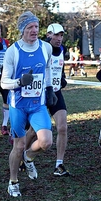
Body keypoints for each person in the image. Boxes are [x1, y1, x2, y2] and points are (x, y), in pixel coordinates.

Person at [1, 11, 57, 197]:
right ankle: (13, 181)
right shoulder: (13, 51)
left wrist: (49, 89)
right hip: (18, 106)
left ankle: (29, 157)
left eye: (36, 27)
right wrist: (19, 83)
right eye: (30, 27)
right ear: (22, 30)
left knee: (46, 142)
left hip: (37, 104)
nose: (34, 31)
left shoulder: (45, 48)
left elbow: (48, 68)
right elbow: (4, 82)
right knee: (18, 145)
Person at [25, 23, 70, 177]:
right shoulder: (41, 49)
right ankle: (22, 156)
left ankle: (59, 164)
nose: (59, 38)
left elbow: (59, 69)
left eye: (61, 35)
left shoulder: (63, 50)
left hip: (56, 93)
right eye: (56, 35)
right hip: (41, 94)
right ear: (49, 35)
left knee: (62, 127)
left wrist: (62, 79)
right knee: (32, 131)